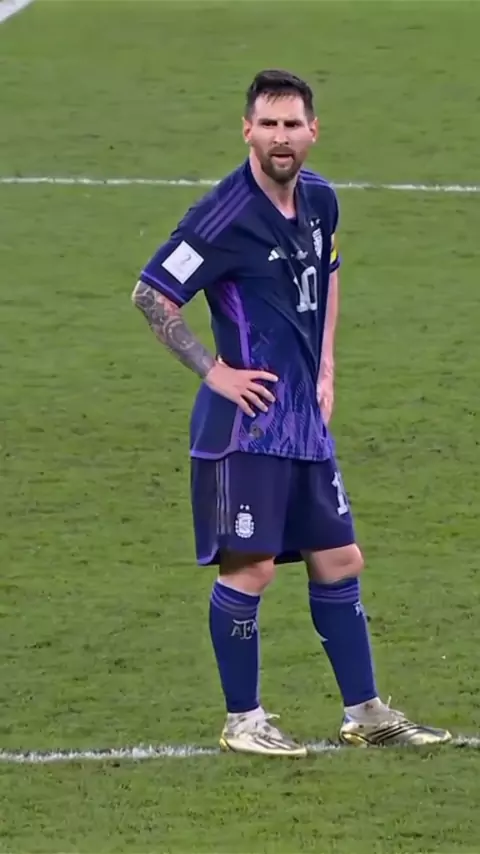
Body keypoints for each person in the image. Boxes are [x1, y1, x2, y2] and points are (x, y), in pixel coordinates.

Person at [132, 69, 451, 755]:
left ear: (313, 131)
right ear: (248, 130)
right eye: (269, 124)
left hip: (304, 423)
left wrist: (326, 366)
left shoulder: (320, 201)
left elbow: (327, 272)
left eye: (293, 124)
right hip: (245, 429)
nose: (282, 137)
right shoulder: (220, 217)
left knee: (339, 557)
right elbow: (151, 293)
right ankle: (243, 722)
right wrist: (214, 371)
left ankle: (366, 713)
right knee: (251, 569)